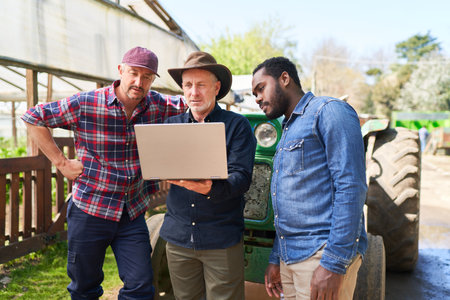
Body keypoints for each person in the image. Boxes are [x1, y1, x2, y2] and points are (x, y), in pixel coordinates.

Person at [21, 46, 187, 299]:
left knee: (141, 285)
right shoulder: (86, 102)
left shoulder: (157, 105)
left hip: (131, 212)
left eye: (147, 77)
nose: (138, 82)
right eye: (133, 73)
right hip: (90, 210)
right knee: (84, 288)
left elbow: (194, 102)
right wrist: (62, 163)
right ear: (120, 71)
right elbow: (33, 117)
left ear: (153, 80)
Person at [251, 57, 367, 300]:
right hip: (289, 257)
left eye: (261, 88)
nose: (257, 98)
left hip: (320, 256)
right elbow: (288, 204)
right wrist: (276, 258)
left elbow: (350, 187)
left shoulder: (329, 111)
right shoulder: (288, 129)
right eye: (254, 93)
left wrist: (333, 264)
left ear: (285, 78)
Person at [159, 51, 256, 300]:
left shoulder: (237, 126)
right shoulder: (170, 127)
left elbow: (241, 178)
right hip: (178, 239)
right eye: (188, 85)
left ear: (216, 87)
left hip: (220, 239)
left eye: (201, 85)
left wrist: (210, 187)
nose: (194, 92)